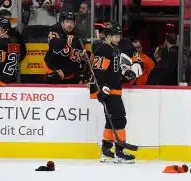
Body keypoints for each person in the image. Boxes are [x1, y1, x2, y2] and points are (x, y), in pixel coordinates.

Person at [90, 21, 141, 163]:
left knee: (110, 119)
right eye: (114, 36)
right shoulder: (104, 48)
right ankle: (120, 151)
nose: (118, 38)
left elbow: (114, 70)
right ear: (107, 36)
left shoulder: (114, 48)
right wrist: (104, 88)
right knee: (119, 119)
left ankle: (106, 151)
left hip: (115, 89)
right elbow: (99, 71)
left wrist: (126, 75)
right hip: (109, 90)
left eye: (119, 35)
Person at [42, 11, 84, 84]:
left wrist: (63, 73)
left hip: (66, 74)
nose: (69, 24)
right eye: (67, 22)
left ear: (75, 24)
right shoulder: (55, 29)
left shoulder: (77, 37)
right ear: (62, 23)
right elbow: (53, 45)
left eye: (72, 22)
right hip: (51, 69)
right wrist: (69, 41)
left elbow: (75, 61)